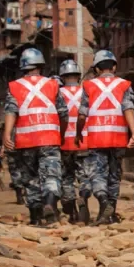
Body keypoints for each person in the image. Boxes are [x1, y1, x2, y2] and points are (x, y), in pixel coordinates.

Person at [3, 47, 68, 227]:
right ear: (41, 66)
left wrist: (7, 135)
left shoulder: (14, 86)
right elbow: (63, 113)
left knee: (30, 179)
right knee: (51, 174)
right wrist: (61, 134)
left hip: (25, 140)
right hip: (49, 139)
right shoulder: (53, 84)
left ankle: (35, 216)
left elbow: (11, 111)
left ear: (23, 67)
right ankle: (49, 204)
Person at [77, 49, 134, 225]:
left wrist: (78, 132)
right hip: (118, 137)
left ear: (96, 69)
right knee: (114, 174)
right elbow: (128, 108)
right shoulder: (124, 85)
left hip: (97, 139)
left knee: (97, 174)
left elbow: (82, 115)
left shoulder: (88, 86)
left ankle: (104, 203)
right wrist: (133, 132)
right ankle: (110, 212)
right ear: (114, 66)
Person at [56, 59, 90, 224]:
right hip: (83, 142)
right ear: (78, 76)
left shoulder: (57, 93)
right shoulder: (86, 91)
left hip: (64, 143)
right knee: (84, 176)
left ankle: (72, 213)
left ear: (62, 77)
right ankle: (84, 200)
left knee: (67, 177)